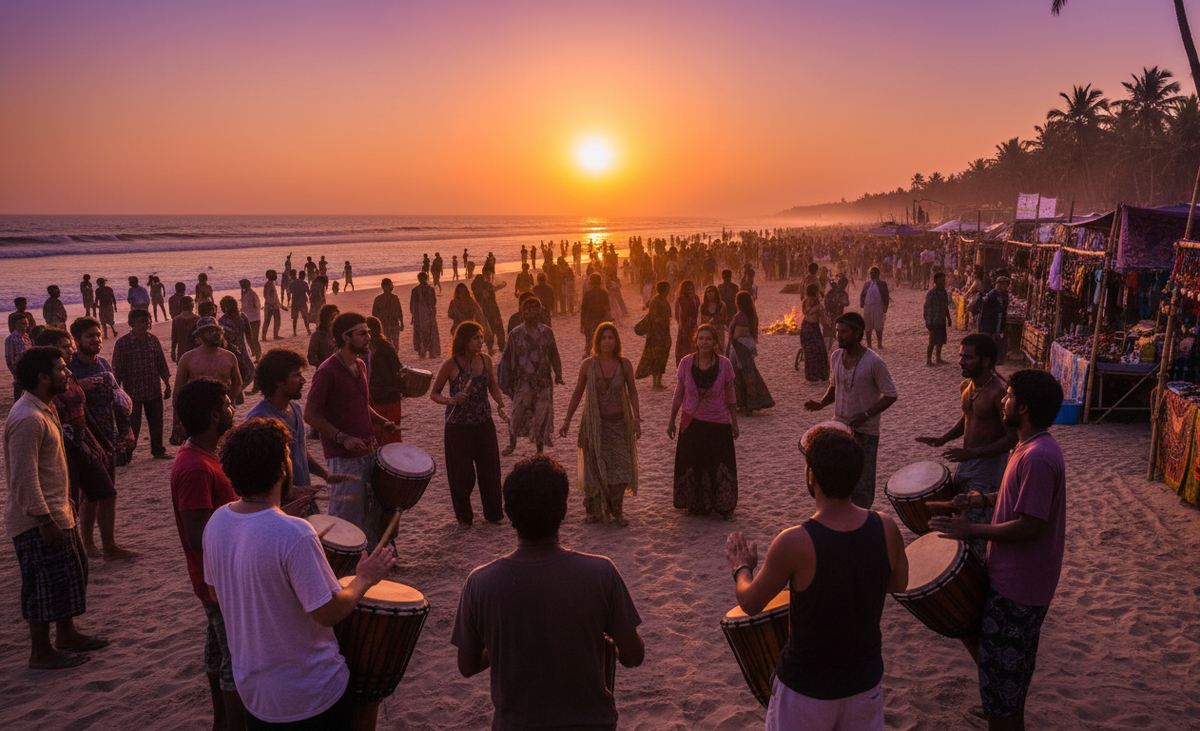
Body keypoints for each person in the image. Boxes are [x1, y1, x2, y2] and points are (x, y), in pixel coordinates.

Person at [203, 417, 397, 729]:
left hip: (255, 695)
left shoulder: (217, 521)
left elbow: (217, 593)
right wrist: (364, 577)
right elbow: (329, 612)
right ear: (283, 468)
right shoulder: (295, 533)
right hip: (310, 698)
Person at [725, 428, 908, 730]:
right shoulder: (886, 527)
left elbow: (750, 602)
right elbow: (899, 584)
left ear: (811, 475)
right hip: (864, 686)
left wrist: (741, 567)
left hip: (806, 691)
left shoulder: (795, 542)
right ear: (857, 477)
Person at [451, 454, 645, 729]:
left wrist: (506, 642)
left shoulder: (480, 583)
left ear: (508, 512)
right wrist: (606, 645)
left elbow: (467, 666)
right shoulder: (601, 572)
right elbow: (634, 656)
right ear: (564, 511)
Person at [929, 370, 1067, 731]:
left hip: (1018, 587)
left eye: (1007, 396)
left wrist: (970, 528)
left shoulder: (1037, 456)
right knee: (1010, 678)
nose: (1001, 401)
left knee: (1005, 682)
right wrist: (981, 498)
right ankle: (1000, 709)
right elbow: (1022, 501)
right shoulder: (1030, 446)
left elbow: (1030, 525)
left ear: (1022, 407)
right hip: (1021, 582)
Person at [6, 346, 111, 670]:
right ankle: (41, 651)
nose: (68, 373)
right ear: (42, 377)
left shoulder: (44, 407)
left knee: (70, 575)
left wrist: (65, 506)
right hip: (38, 520)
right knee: (42, 586)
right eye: (61, 369)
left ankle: (67, 634)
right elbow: (23, 478)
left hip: (58, 511)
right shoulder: (27, 418)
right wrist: (44, 520)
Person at [170, 377, 246, 730]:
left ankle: (220, 722)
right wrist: (253, 519)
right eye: (229, 404)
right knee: (235, 660)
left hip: (216, 578)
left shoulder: (204, 456)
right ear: (216, 414)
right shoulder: (194, 467)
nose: (233, 409)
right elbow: (199, 534)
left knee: (217, 652)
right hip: (217, 580)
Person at [39, 327, 138, 561]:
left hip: (86, 440)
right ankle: (81, 546)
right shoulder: (47, 378)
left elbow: (83, 411)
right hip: (64, 446)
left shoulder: (69, 373)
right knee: (73, 498)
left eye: (68, 346)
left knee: (106, 492)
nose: (70, 350)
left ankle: (109, 546)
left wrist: (104, 439)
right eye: (65, 347)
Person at [304, 312, 400, 546]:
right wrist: (342, 437)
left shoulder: (360, 365)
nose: (368, 337)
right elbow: (310, 414)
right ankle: (342, 568)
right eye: (362, 333)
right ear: (345, 338)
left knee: (372, 510)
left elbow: (362, 403)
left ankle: (367, 559)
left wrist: (381, 422)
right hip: (343, 457)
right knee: (346, 517)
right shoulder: (326, 372)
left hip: (369, 450)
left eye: (367, 332)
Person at [917, 334, 1015, 558]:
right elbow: (969, 418)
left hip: (986, 473)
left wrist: (973, 452)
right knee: (958, 527)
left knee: (974, 537)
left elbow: (1012, 438)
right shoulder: (967, 385)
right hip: (965, 466)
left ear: (986, 361)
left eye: (968, 357)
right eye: (961, 356)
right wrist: (944, 438)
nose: (961, 361)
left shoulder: (999, 392)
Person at [804, 312, 898, 509]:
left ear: (858, 333)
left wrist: (865, 415)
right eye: (837, 331)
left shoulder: (874, 362)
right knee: (837, 482)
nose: (839, 335)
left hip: (866, 432)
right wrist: (821, 404)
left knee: (862, 485)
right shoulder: (836, 356)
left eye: (844, 331)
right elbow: (835, 386)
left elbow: (891, 394)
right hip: (839, 429)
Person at [248, 348, 352, 513]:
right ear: (278, 381)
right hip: (281, 508)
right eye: (296, 376)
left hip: (304, 499)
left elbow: (298, 450)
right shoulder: (262, 420)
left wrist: (325, 475)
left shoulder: (294, 408)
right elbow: (258, 475)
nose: (303, 380)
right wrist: (289, 492)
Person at [560, 323, 641, 526]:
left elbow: (633, 392)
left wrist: (636, 418)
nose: (607, 342)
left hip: (620, 425)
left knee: (622, 468)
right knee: (595, 468)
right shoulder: (588, 365)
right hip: (594, 426)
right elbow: (578, 392)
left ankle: (617, 510)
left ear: (616, 341)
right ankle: (595, 511)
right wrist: (567, 419)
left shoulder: (625, 365)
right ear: (597, 341)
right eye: (603, 338)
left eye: (610, 338)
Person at [68, 317, 137, 555]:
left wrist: (126, 429)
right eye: (90, 336)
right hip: (84, 441)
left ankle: (109, 545)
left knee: (107, 492)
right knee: (92, 495)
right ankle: (88, 543)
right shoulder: (70, 368)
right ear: (77, 341)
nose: (96, 339)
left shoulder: (104, 364)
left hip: (108, 439)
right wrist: (78, 385)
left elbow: (117, 400)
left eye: (98, 335)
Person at [431, 322, 508, 527]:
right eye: (476, 338)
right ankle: (465, 517)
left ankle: (493, 514)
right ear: (465, 340)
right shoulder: (450, 364)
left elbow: (492, 385)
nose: (481, 342)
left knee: (490, 469)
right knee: (462, 474)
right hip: (458, 426)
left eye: (481, 337)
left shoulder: (486, 360)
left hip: (483, 422)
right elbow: (434, 393)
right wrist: (452, 400)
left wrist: (500, 403)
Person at [668, 324, 740, 517]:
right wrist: (671, 420)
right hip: (691, 422)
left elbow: (731, 396)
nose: (704, 342)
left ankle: (724, 507)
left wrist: (734, 422)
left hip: (718, 423)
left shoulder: (725, 364)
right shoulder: (685, 363)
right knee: (695, 464)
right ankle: (697, 505)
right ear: (696, 341)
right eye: (701, 338)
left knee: (719, 464)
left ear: (715, 342)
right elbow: (678, 394)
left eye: (708, 339)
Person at [497, 297, 564, 456]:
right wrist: (505, 381)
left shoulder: (547, 332)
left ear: (540, 311)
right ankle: (512, 443)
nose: (531, 311)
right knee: (517, 413)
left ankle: (539, 450)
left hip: (543, 381)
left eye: (535, 308)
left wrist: (558, 374)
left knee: (541, 414)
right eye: (527, 308)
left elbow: (554, 354)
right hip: (523, 382)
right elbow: (506, 358)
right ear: (522, 312)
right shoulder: (515, 334)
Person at [111, 308, 172, 461]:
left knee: (157, 422)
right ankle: (127, 454)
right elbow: (117, 369)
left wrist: (167, 384)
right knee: (132, 425)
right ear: (131, 323)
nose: (145, 324)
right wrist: (116, 391)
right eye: (140, 321)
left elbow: (161, 363)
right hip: (133, 392)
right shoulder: (123, 343)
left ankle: (158, 450)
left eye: (147, 321)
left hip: (154, 389)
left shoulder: (153, 340)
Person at [175, 317, 243, 401]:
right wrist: (177, 412)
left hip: (221, 407)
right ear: (200, 335)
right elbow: (178, 390)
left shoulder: (229, 356)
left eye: (216, 331)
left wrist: (230, 401)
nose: (214, 334)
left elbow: (237, 383)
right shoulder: (188, 358)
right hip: (197, 406)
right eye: (209, 331)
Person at [728, 290, 775, 412]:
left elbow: (739, 333)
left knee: (742, 375)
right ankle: (746, 404)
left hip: (739, 348)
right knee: (748, 375)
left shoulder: (741, 316)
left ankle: (747, 404)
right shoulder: (750, 315)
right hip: (744, 347)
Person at [365, 316, 404, 447]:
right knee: (390, 432)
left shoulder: (373, 348)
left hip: (379, 397)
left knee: (380, 433)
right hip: (387, 396)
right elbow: (398, 370)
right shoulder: (385, 346)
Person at [635, 280, 673, 389]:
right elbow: (653, 318)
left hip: (663, 333)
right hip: (656, 334)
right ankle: (656, 383)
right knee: (657, 357)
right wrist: (663, 320)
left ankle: (658, 382)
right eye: (667, 289)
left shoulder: (661, 300)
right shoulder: (656, 301)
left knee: (662, 356)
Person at [218, 296, 256, 394]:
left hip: (243, 348)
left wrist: (252, 346)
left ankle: (238, 390)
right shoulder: (222, 321)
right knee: (238, 371)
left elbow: (248, 333)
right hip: (231, 350)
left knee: (250, 371)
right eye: (222, 306)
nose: (223, 308)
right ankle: (237, 391)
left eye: (224, 306)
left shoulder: (242, 316)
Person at [979, 275, 1011, 366]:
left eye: (1006, 285)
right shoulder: (992, 295)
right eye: (1003, 285)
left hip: (998, 322)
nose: (1004, 287)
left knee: (999, 342)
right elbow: (987, 313)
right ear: (998, 284)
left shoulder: (1002, 294)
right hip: (991, 324)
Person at [447, 282, 491, 349]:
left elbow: (478, 313)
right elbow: (450, 315)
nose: (462, 293)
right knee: (461, 346)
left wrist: (477, 324)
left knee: (468, 345)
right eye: (460, 292)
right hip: (458, 327)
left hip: (469, 326)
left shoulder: (470, 301)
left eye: (463, 291)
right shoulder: (454, 302)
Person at [800, 284, 828, 383]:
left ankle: (810, 376)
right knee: (818, 351)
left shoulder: (805, 300)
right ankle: (819, 376)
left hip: (805, 326)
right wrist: (826, 325)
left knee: (809, 352)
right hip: (813, 327)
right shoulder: (816, 301)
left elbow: (805, 312)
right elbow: (821, 317)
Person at [410, 271, 441, 359]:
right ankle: (423, 352)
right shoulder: (418, 290)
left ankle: (430, 352)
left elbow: (433, 302)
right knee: (423, 334)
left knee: (429, 334)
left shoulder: (428, 290)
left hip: (427, 315)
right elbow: (413, 304)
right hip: (421, 315)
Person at [580, 273, 613, 358]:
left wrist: (582, 324)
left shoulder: (587, 294)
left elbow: (583, 310)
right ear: (600, 282)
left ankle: (589, 356)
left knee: (589, 341)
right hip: (601, 320)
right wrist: (609, 323)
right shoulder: (604, 293)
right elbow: (608, 309)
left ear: (591, 282)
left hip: (590, 321)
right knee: (601, 339)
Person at [472, 273, 507, 351]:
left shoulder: (475, 287)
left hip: (484, 311)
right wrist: (503, 284)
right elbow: (495, 288)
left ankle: (490, 346)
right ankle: (501, 345)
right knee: (498, 327)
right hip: (493, 309)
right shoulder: (486, 286)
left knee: (489, 329)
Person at [924, 271, 952, 366]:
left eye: (944, 281)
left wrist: (949, 318)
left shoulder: (944, 292)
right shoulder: (932, 293)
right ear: (936, 282)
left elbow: (945, 307)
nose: (943, 283)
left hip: (941, 320)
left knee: (941, 341)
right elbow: (926, 307)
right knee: (932, 341)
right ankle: (928, 360)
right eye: (941, 281)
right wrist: (927, 320)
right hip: (933, 321)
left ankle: (938, 358)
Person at [859, 267, 890, 349]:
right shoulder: (867, 284)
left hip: (878, 306)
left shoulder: (882, 284)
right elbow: (862, 294)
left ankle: (879, 343)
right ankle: (869, 344)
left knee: (879, 325)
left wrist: (885, 306)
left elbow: (886, 296)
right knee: (868, 325)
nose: (873, 275)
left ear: (878, 274)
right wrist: (862, 303)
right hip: (868, 306)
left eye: (874, 273)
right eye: (871, 273)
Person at [7, 311, 33, 400]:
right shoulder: (11, 338)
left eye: (26, 323)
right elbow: (10, 359)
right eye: (21, 324)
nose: (24, 326)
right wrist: (16, 374)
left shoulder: (27, 337)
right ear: (15, 325)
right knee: (18, 399)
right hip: (19, 373)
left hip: (29, 371)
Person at [674, 280, 700, 367]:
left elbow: (698, 312)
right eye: (688, 289)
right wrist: (685, 328)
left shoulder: (696, 298)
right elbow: (678, 316)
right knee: (684, 350)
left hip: (695, 326)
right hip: (684, 328)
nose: (690, 291)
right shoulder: (680, 300)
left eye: (691, 289)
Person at [371, 278, 403, 347]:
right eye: (389, 285)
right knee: (388, 343)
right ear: (384, 287)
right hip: (385, 324)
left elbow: (399, 311)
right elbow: (375, 314)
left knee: (394, 343)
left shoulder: (394, 298)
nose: (391, 287)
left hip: (393, 324)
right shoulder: (379, 299)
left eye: (391, 285)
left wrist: (402, 322)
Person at [307, 304, 340, 370]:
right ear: (325, 318)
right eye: (332, 316)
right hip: (325, 371)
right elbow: (311, 358)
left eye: (336, 316)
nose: (334, 319)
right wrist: (324, 365)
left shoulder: (339, 333)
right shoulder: (317, 335)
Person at [699, 284, 730, 352]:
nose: (710, 294)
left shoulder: (722, 305)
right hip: (707, 335)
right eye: (708, 292)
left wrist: (717, 320)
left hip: (719, 334)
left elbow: (726, 319)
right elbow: (701, 322)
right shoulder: (703, 306)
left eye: (712, 291)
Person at [823, 275, 849, 351]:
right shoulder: (837, 292)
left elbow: (846, 303)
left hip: (835, 314)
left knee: (834, 331)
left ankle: (830, 348)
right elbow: (846, 303)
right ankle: (828, 347)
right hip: (832, 313)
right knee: (831, 331)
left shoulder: (836, 292)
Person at [171, 296, 200, 363]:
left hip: (182, 352)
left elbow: (174, 338)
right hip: (195, 352)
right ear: (192, 306)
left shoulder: (176, 320)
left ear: (181, 306)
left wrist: (173, 352)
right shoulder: (198, 319)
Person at [239, 279, 262, 362]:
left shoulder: (253, 294)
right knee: (248, 337)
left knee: (254, 338)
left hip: (254, 318)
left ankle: (258, 355)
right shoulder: (244, 293)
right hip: (246, 318)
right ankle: (254, 351)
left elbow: (257, 306)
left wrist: (251, 311)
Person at [262, 269, 285, 341]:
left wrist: (280, 305)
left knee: (277, 320)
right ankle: (264, 337)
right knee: (267, 321)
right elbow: (266, 295)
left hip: (274, 305)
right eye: (275, 275)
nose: (276, 276)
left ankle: (275, 335)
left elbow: (274, 296)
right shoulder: (268, 284)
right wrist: (271, 304)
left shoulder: (271, 284)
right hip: (270, 306)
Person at [289, 271, 312, 336]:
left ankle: (294, 332)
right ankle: (308, 331)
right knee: (305, 317)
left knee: (295, 318)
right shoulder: (304, 283)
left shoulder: (292, 283)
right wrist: (310, 299)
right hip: (302, 302)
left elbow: (290, 292)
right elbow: (308, 292)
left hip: (294, 302)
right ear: (304, 276)